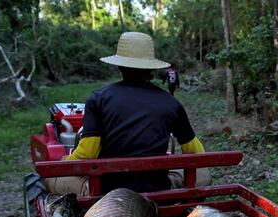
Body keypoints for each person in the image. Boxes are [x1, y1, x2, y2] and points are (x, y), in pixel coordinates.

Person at [46, 32, 208, 195]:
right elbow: (196, 153)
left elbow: (88, 152)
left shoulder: (99, 98)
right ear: (150, 68)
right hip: (158, 187)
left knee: (52, 176)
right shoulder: (171, 102)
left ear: (119, 66)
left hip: (107, 191)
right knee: (203, 173)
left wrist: (66, 161)